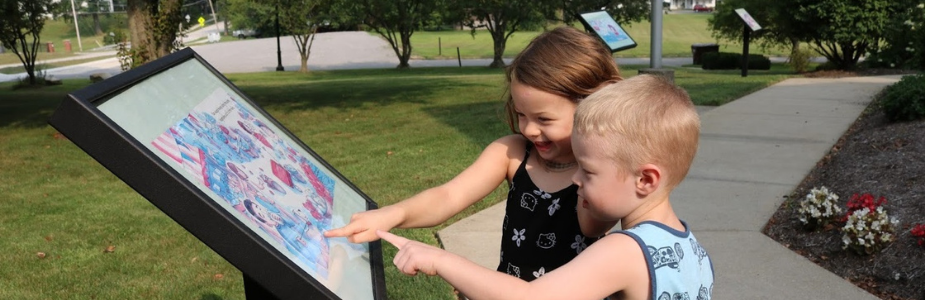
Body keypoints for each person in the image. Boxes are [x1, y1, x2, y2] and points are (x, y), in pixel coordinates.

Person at [325, 26, 623, 280]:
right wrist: (393, 214)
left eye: (544, 119)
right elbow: (449, 196)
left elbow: (592, 224)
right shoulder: (513, 153)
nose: (529, 130)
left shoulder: (601, 172)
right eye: (521, 114)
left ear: (593, 107)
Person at [377, 75, 714, 300]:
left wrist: (440, 260)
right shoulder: (692, 248)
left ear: (646, 180)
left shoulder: (625, 250)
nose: (576, 179)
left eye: (589, 171)